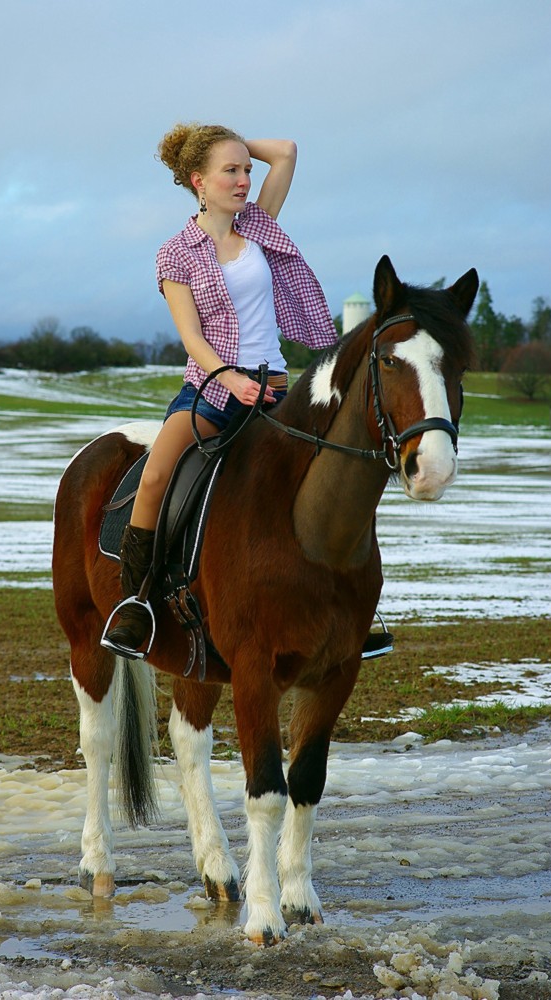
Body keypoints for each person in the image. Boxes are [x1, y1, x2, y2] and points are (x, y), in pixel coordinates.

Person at [102, 122, 393, 661]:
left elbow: (286, 151)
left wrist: (226, 138)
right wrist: (228, 378)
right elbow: (190, 335)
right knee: (158, 475)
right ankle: (136, 602)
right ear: (198, 181)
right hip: (210, 392)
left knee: (340, 468)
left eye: (245, 171)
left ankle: (359, 605)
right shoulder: (176, 254)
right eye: (229, 171)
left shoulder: (258, 224)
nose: (243, 180)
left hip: (278, 389)